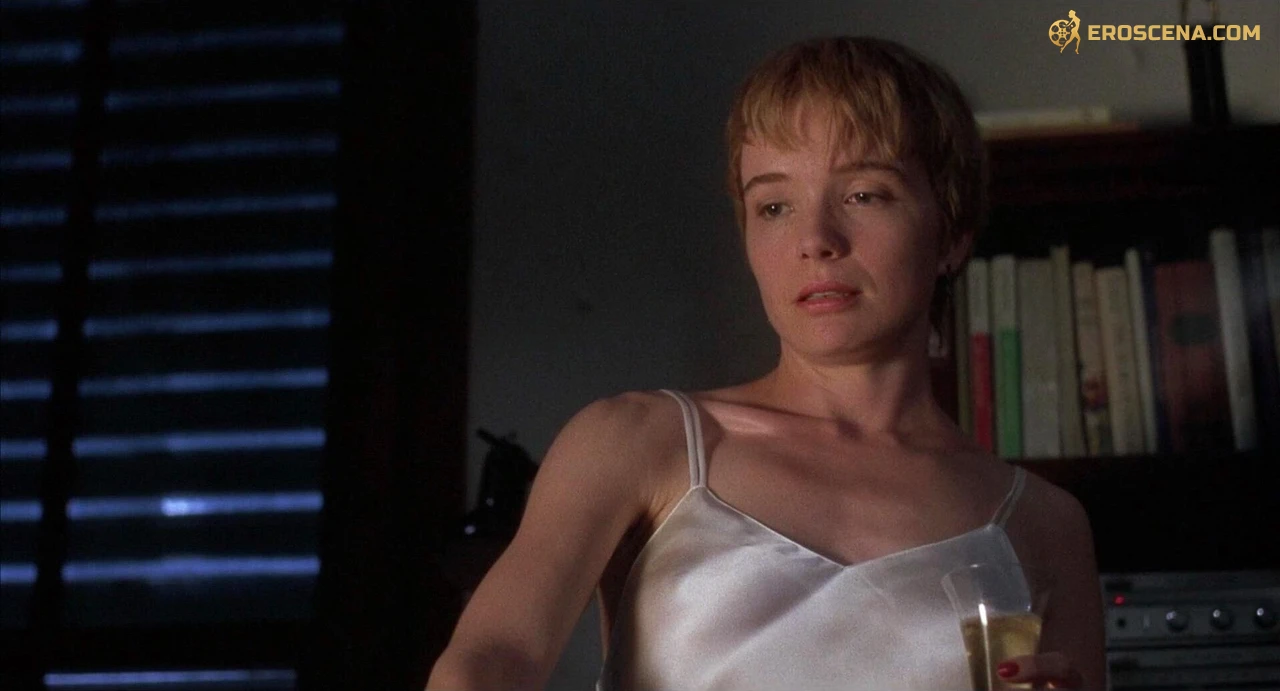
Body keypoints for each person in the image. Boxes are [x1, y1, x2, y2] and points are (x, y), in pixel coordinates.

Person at [428, 36, 1106, 690]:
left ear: (952, 232)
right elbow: (489, 658)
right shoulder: (636, 441)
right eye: (775, 206)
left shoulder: (1045, 524)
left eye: (864, 194)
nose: (816, 239)